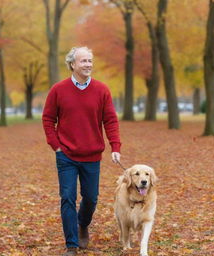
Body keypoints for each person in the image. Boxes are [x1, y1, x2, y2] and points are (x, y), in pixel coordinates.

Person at [42, 46, 121, 256]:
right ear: (72, 64)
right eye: (83, 61)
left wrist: (115, 146)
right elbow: (48, 119)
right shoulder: (58, 90)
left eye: (90, 61)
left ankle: (83, 224)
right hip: (66, 154)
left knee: (91, 197)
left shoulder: (102, 90)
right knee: (67, 197)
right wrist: (56, 145)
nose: (88, 65)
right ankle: (72, 245)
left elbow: (110, 120)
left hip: (92, 155)